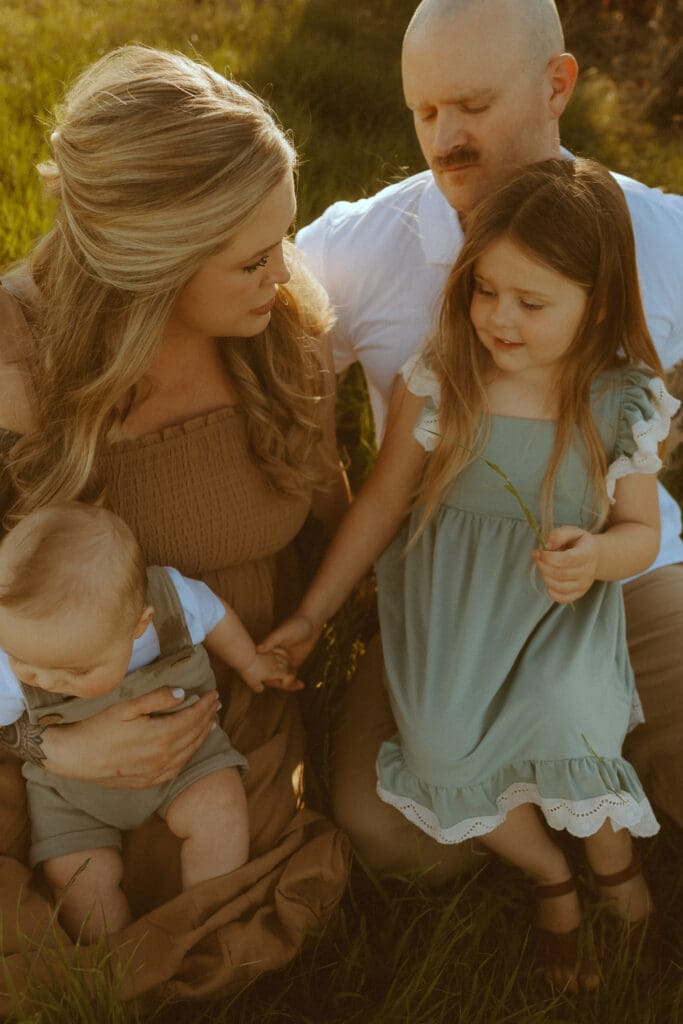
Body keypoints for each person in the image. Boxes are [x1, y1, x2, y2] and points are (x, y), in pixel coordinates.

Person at [266, 157, 680, 990]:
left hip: (555, 613)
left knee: (572, 730)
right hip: (450, 614)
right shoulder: (445, 377)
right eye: (484, 290)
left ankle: (613, 869)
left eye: (530, 303)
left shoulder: (616, 400)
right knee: (444, 755)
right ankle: (546, 873)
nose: (498, 317)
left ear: (596, 301)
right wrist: (313, 615)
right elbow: (383, 502)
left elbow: (638, 529)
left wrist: (597, 557)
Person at [296, 0, 683, 881]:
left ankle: (591, 797)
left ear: (556, 86)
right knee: (390, 837)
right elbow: (231, 290)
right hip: (448, 592)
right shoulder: (360, 246)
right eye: (424, 112)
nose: (444, 139)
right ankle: (548, 835)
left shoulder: (654, 233)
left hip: (623, 576)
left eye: (470, 105)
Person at [0, 45, 349, 1004]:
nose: (283, 274)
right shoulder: (19, 369)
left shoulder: (284, 338)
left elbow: (335, 512)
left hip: (214, 687)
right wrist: (50, 746)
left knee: (231, 871)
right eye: (251, 256)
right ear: (150, 266)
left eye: (282, 238)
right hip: (37, 698)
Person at [0, 501, 306, 943]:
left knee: (221, 811)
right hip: (71, 790)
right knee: (73, 874)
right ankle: (119, 953)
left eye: (76, 671)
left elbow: (214, 614)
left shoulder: (168, 603)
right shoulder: (13, 660)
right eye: (26, 664)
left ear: (137, 625)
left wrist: (251, 662)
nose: (43, 679)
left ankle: (199, 922)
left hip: (186, 752)